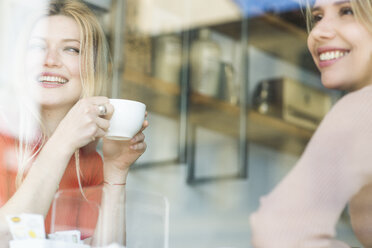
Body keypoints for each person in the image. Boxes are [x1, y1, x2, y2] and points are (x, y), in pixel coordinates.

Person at [0, 0, 148, 246]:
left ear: (92, 67)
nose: (49, 60)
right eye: (37, 47)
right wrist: (63, 141)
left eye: (71, 50)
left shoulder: (88, 163)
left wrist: (115, 171)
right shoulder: (5, 141)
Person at [250, 0, 372, 247]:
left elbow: (278, 231)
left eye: (347, 11)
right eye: (317, 17)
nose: (318, 32)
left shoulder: (362, 107)